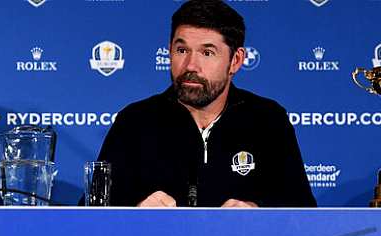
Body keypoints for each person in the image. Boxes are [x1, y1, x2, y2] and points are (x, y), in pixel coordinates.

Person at [95, 0, 316, 208]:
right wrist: (135, 211)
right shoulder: (135, 121)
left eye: (207, 52)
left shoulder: (268, 121)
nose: (191, 65)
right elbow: (91, 213)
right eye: (182, 50)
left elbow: (303, 212)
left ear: (235, 61)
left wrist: (257, 214)